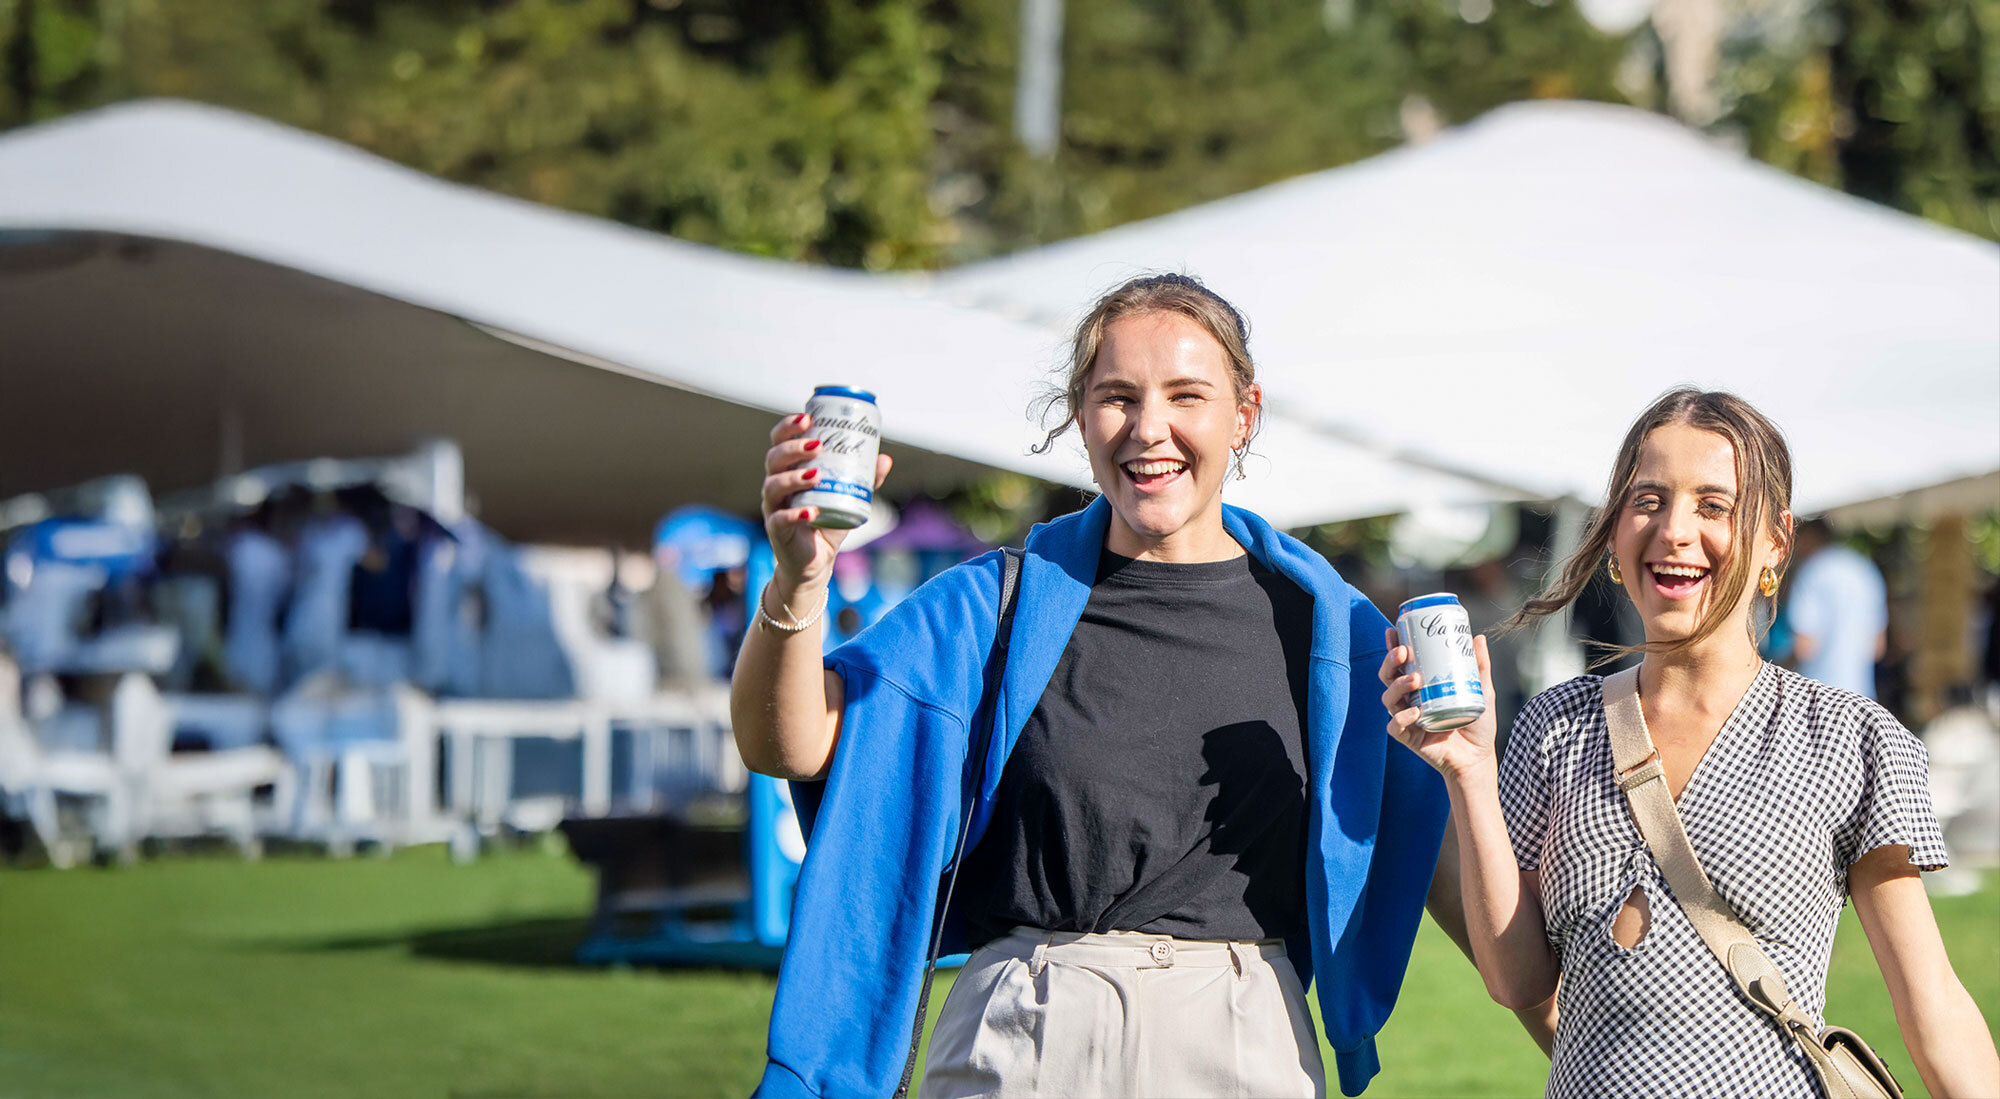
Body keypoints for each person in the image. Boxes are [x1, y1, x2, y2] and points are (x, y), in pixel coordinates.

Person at [732, 274, 1452, 1099]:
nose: (1151, 430)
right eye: (1118, 397)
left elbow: (1428, 833)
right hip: (1020, 1040)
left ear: (1243, 415)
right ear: (1081, 416)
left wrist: (1556, 1006)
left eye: (1187, 395)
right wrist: (798, 583)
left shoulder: (1333, 632)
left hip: (1242, 1045)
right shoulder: (989, 606)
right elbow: (785, 742)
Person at [1381, 387, 2000, 1098]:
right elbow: (1515, 979)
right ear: (1615, 530)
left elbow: (1933, 1004)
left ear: (1776, 540)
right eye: (1648, 499)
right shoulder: (1555, 725)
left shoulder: (1849, 738)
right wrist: (1468, 769)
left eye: (1714, 505)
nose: (1674, 529)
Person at [1786, 517, 1889, 698]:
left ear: (1809, 536)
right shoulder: (1863, 568)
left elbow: (1804, 646)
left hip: (1819, 696)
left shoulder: (1812, 571)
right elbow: (1877, 647)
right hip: (1860, 697)